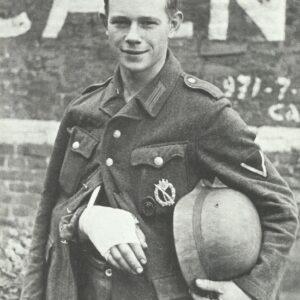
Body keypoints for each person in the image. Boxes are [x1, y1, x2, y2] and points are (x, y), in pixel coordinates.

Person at [21, 0, 299, 299]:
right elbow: (49, 212)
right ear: (105, 23)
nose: (133, 35)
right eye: (121, 22)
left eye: (148, 23)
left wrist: (251, 290)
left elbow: (280, 207)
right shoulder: (83, 110)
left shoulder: (203, 112)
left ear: (174, 23)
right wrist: (86, 220)